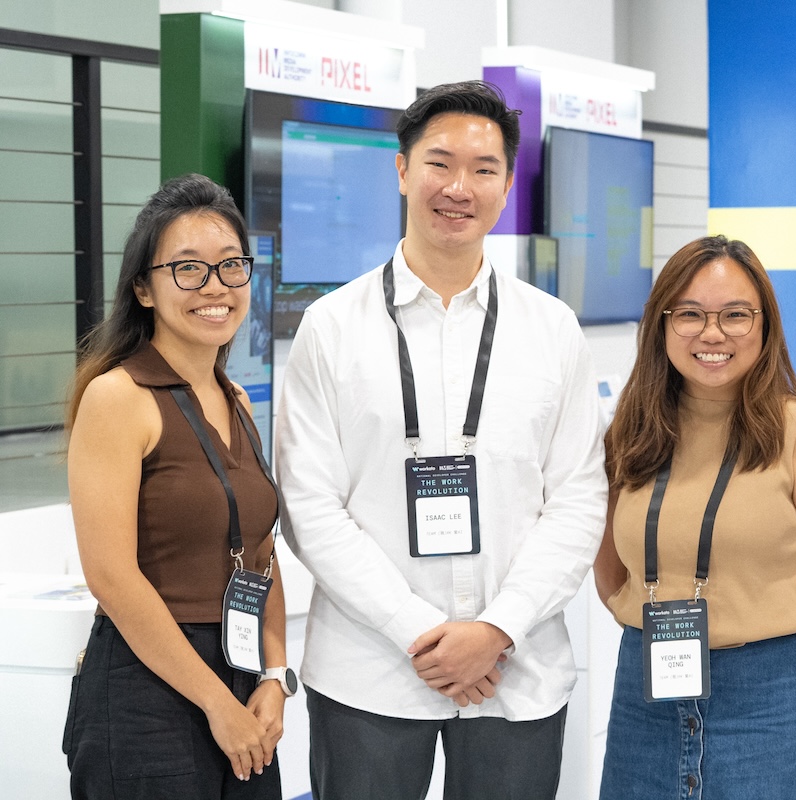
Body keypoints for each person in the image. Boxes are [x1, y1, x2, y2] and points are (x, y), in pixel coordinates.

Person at [274, 80, 607, 800]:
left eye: (483, 169)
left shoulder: (551, 330)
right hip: (370, 672)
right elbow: (309, 504)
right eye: (439, 162)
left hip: (514, 669)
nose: (460, 187)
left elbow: (579, 499)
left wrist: (497, 629)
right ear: (401, 170)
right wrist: (420, 629)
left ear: (508, 184)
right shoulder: (331, 328)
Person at [593, 235, 796, 798]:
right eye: (690, 314)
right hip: (644, 699)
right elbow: (610, 571)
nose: (712, 333)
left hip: (769, 706)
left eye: (735, 315)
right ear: (662, 324)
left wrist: (793, 687)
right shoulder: (631, 434)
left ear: (764, 325)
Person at [63, 173, 288, 799]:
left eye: (230, 266)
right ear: (143, 288)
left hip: (241, 677)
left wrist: (274, 675)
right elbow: (110, 574)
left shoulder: (236, 398)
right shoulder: (117, 397)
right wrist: (219, 703)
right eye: (188, 269)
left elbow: (261, 555)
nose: (214, 287)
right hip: (149, 692)